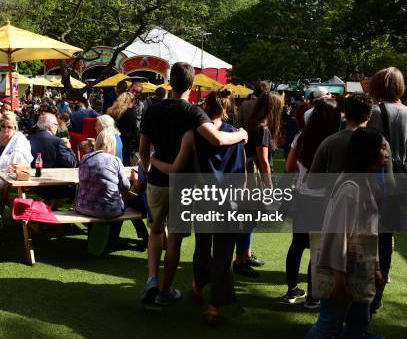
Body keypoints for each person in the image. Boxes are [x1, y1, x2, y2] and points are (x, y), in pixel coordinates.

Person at [139, 61, 248, 308]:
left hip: (157, 181)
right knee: (175, 239)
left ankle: (152, 279)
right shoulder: (193, 113)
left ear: (170, 81)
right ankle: (165, 291)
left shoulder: (151, 110)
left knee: (155, 232)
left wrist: (148, 169)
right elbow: (218, 139)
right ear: (191, 84)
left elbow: (143, 150)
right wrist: (242, 134)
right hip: (182, 184)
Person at [305, 128, 388, 339]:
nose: (386, 152)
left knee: (359, 320)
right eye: (381, 147)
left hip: (359, 268)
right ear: (369, 153)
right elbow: (336, 234)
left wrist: (375, 267)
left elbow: (369, 233)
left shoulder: (366, 181)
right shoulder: (351, 188)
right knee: (329, 323)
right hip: (343, 270)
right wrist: (338, 280)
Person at [366, 66, 407, 314]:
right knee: (386, 238)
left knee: (364, 234)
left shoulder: (372, 112)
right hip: (398, 183)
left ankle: (364, 288)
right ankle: (378, 293)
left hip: (370, 180)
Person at [283, 98, 341, 308]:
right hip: (324, 200)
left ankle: (291, 290)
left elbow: (289, 167)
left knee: (297, 245)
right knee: (318, 249)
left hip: (301, 197)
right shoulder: (336, 141)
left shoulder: (301, 137)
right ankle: (313, 297)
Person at [235, 91, 283, 277]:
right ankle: (239, 260)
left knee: (249, 220)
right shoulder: (263, 129)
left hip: (246, 178)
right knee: (247, 221)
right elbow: (263, 162)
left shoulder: (251, 124)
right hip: (254, 182)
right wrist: (270, 188)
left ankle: (245, 255)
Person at [0, 112, 33, 236]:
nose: (5, 129)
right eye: (3, 126)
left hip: (14, 174)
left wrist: (16, 167)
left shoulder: (19, 139)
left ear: (15, 127)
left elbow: (26, 164)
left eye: (9, 127)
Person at [76, 128, 131, 218]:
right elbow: (125, 186)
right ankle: (115, 232)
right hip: (107, 210)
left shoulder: (84, 158)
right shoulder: (115, 160)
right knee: (132, 204)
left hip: (82, 207)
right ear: (113, 144)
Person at [28, 113, 77, 201]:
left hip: (33, 185)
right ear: (51, 126)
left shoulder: (29, 138)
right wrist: (69, 148)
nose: (57, 127)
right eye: (56, 125)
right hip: (56, 186)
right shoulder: (57, 142)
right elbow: (71, 163)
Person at [107, 92, 138, 166]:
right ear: (130, 101)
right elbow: (134, 130)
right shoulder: (130, 112)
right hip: (126, 143)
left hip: (112, 140)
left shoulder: (112, 111)